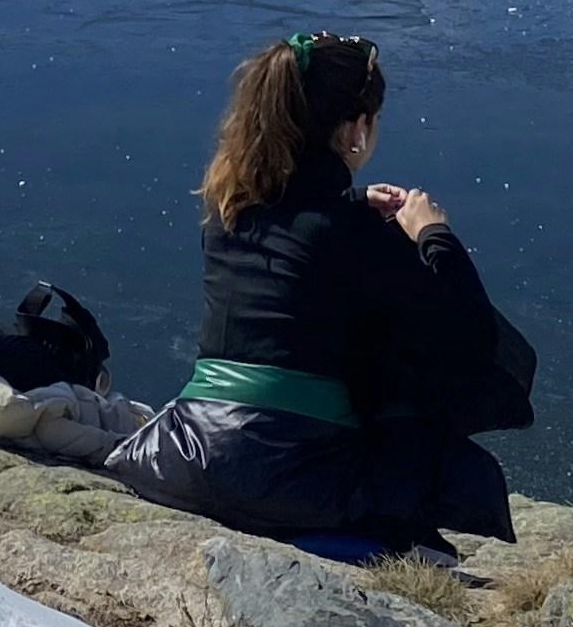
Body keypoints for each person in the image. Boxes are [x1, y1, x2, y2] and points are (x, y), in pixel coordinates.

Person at [103, 31, 532, 556]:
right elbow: (468, 336)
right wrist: (432, 235)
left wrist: (352, 203)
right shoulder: (351, 233)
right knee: (407, 374)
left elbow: (299, 237)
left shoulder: (228, 212)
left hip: (184, 456)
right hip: (283, 481)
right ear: (356, 128)